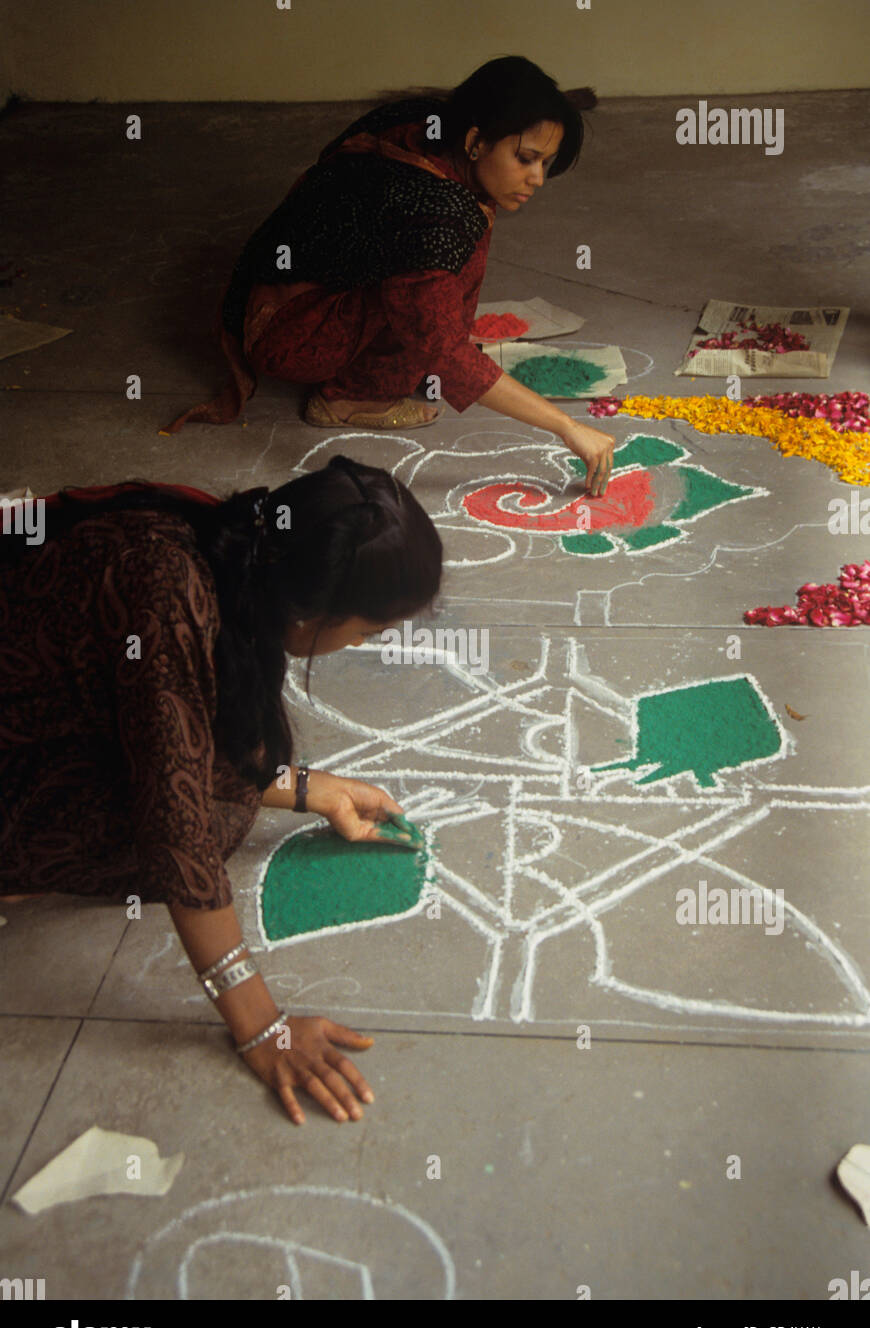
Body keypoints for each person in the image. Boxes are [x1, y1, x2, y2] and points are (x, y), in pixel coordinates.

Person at [0, 457, 441, 1125]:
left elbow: (186, 725)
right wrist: (262, 1026)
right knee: (211, 820)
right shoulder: (164, 600)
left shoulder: (236, 539)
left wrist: (307, 790)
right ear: (312, 610)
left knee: (223, 795)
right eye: (369, 630)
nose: (367, 644)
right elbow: (175, 820)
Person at [164, 56, 615, 498]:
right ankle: (350, 397)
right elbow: (442, 351)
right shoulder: (431, 216)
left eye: (545, 164)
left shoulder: (429, 123)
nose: (536, 178)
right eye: (526, 158)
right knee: (437, 279)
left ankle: (383, 355)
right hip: (286, 330)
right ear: (476, 140)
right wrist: (568, 426)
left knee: (463, 224)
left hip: (282, 287)